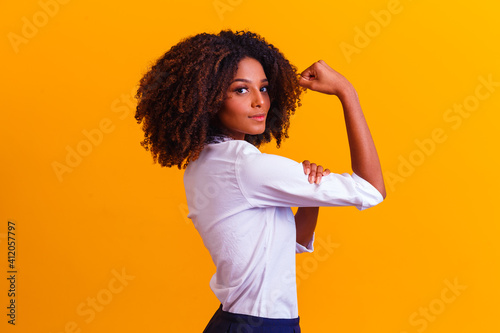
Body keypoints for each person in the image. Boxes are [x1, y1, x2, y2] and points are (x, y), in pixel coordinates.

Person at [135, 29, 386, 332]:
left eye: (264, 88)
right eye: (241, 90)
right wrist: (347, 92)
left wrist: (309, 195)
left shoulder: (204, 163)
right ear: (209, 98)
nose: (259, 102)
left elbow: (288, 244)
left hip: (241, 322)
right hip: (261, 326)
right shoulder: (246, 166)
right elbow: (371, 190)